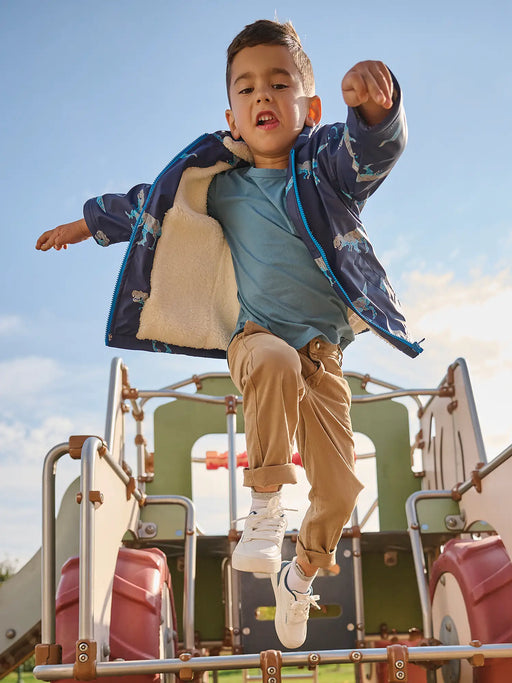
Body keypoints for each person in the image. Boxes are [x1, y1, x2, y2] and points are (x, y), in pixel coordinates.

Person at [36, 20, 422, 650]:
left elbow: (368, 154)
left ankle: (299, 575)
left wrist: (377, 113)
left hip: (322, 355)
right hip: (254, 336)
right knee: (270, 361)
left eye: (278, 83)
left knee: (342, 488)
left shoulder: (325, 171)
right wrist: (84, 225)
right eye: (246, 89)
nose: (262, 96)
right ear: (231, 116)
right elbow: (146, 204)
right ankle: (265, 510)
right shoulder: (219, 183)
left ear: (312, 107)